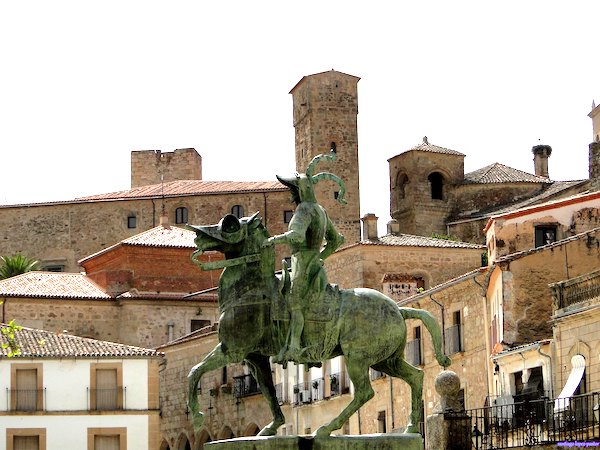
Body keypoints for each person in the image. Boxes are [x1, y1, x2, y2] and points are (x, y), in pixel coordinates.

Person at [264, 151, 345, 364]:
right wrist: (320, 257)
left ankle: (293, 347)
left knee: (294, 304)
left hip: (301, 263)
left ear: (299, 190)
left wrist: (272, 241)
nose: (291, 195)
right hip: (314, 264)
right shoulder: (321, 211)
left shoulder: (304, 210)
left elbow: (297, 235)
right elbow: (337, 240)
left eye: (292, 190)